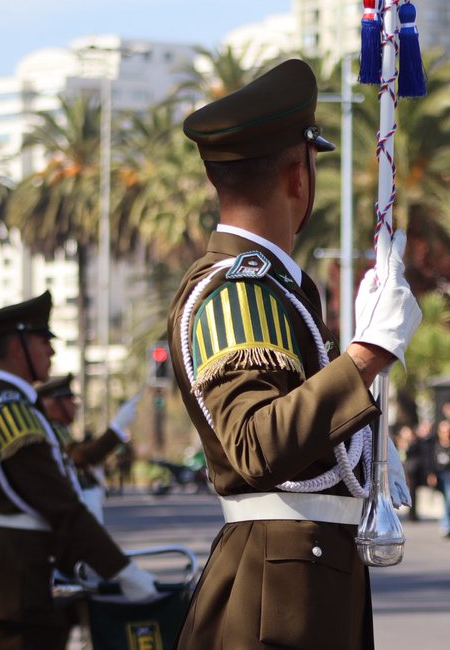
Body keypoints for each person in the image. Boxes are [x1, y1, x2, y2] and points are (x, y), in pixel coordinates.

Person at [165, 59, 421, 650]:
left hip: (296, 585)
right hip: (275, 599)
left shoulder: (273, 290)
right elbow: (258, 445)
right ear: (298, 175)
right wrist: (369, 353)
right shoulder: (238, 291)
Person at [0, 292, 157, 650]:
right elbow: (59, 504)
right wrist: (121, 570)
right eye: (44, 343)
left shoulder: (18, 407)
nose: (51, 353)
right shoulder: (11, 414)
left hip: (30, 570)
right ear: (18, 347)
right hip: (22, 574)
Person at [35, 375, 139, 522]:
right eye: (69, 399)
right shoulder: (48, 430)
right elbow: (83, 456)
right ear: (52, 403)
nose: (75, 405)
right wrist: (116, 427)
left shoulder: (60, 429)